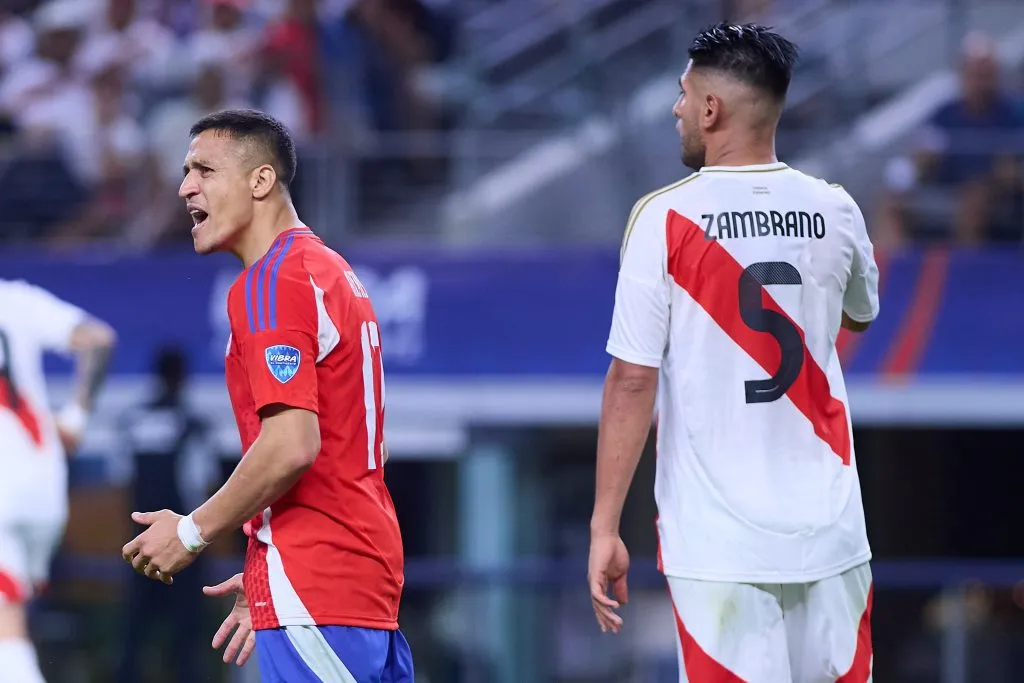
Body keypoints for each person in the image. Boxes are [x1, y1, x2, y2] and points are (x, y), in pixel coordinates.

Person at [587, 24, 878, 682]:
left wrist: (606, 524)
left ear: (713, 109)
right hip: (831, 535)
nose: (676, 109)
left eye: (684, 94)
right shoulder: (836, 208)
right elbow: (861, 311)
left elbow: (632, 380)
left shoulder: (664, 217)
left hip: (719, 548)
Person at [120, 109, 413, 683]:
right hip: (352, 577)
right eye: (185, 172)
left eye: (203, 169)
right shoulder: (325, 268)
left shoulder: (271, 282)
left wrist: (191, 531)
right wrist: (262, 573)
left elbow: (290, 446)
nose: (184, 187)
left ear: (260, 181)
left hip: (318, 583)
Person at [0, 279, 116, 683]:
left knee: (4, 627)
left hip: (2, 492)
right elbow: (99, 339)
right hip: (43, 488)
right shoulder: (16, 299)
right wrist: (75, 419)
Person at [116, 346, 211, 683]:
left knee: (135, 630)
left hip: (139, 539)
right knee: (186, 630)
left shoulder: (132, 419)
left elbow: (121, 478)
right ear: (182, 377)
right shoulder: (192, 423)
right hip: (182, 540)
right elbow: (198, 486)